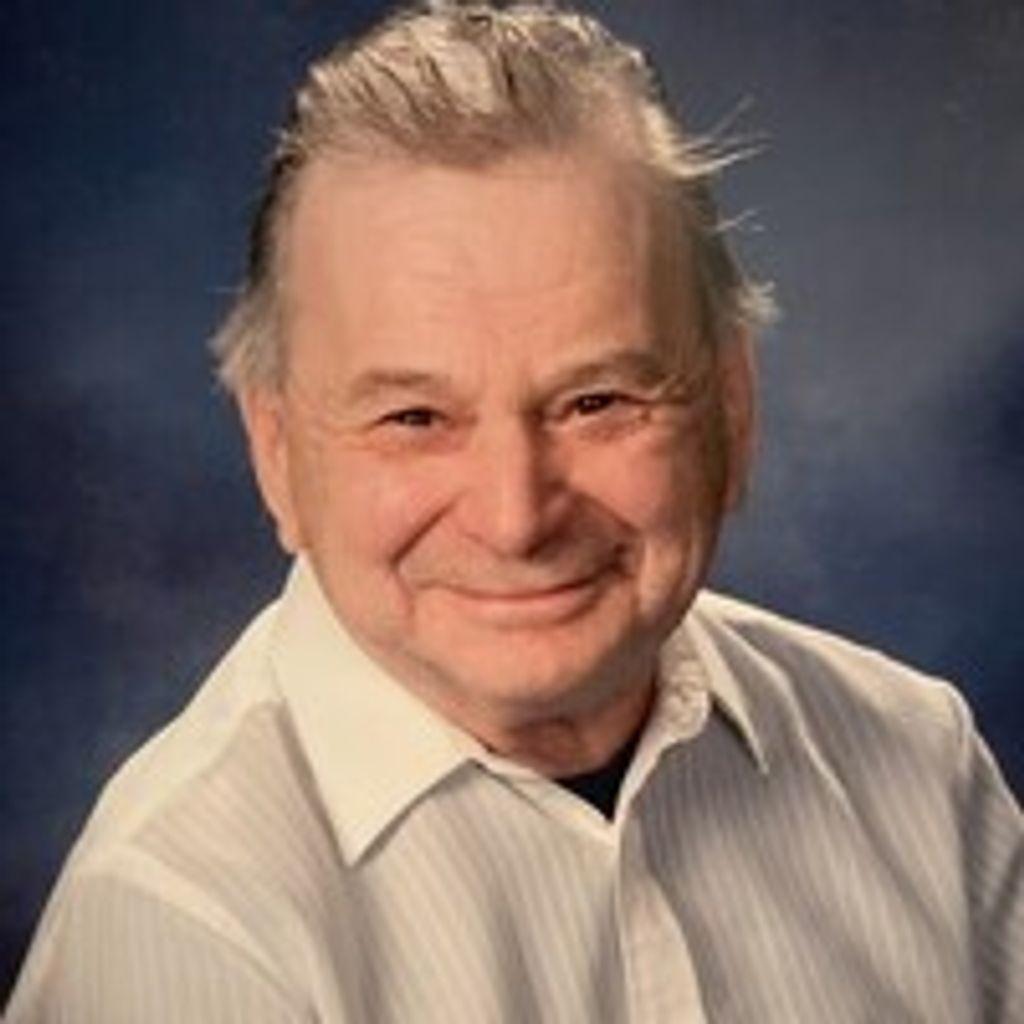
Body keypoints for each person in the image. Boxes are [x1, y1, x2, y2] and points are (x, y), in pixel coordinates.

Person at [7, 2, 1021, 1021]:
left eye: (597, 402)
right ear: (276, 455)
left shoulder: (919, 771)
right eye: (414, 417)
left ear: (733, 406)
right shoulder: (181, 922)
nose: (516, 517)